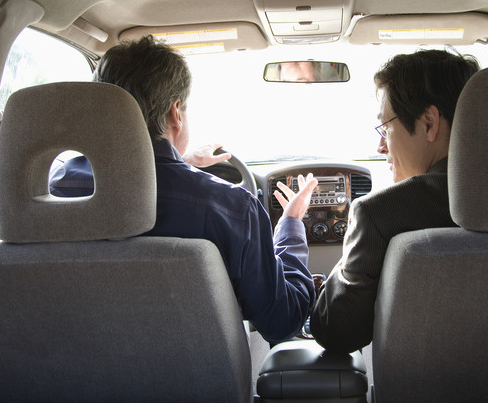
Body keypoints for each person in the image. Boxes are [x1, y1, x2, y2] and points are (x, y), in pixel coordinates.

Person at [49, 35, 319, 344]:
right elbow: (282, 321)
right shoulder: (233, 207)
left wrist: (182, 163)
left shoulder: (54, 189)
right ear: (176, 112)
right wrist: (291, 224)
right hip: (200, 385)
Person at [309, 49, 488, 354]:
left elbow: (337, 332)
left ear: (429, 122)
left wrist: (333, 278)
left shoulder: (380, 214)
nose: (381, 146)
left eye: (385, 127)